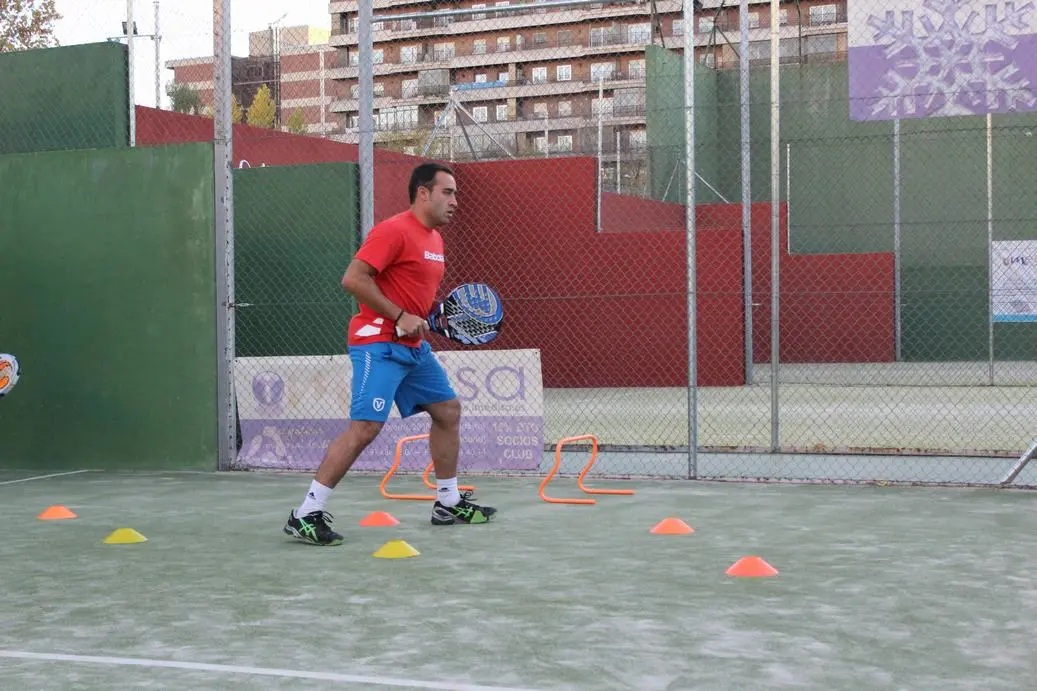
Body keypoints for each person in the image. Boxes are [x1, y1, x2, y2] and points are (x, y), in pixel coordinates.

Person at [283, 162, 497, 546]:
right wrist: (398, 315)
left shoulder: (435, 241)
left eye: (456, 194)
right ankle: (306, 513)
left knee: (447, 411)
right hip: (377, 344)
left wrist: (431, 316)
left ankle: (447, 501)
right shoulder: (393, 231)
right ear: (423, 193)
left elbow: (414, 296)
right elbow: (353, 278)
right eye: (448, 193)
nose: (455, 202)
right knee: (366, 428)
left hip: (413, 348)